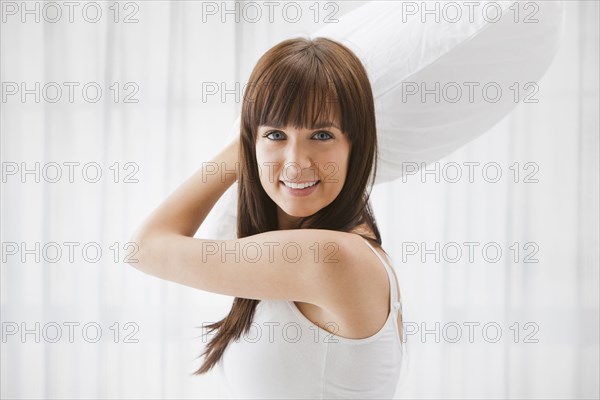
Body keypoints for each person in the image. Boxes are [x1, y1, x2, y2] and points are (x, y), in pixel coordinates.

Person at [128, 37, 404, 398]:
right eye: (275, 134)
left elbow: (144, 248)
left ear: (357, 145)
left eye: (321, 135)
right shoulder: (340, 247)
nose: (295, 161)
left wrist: (238, 149)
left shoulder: (330, 257)